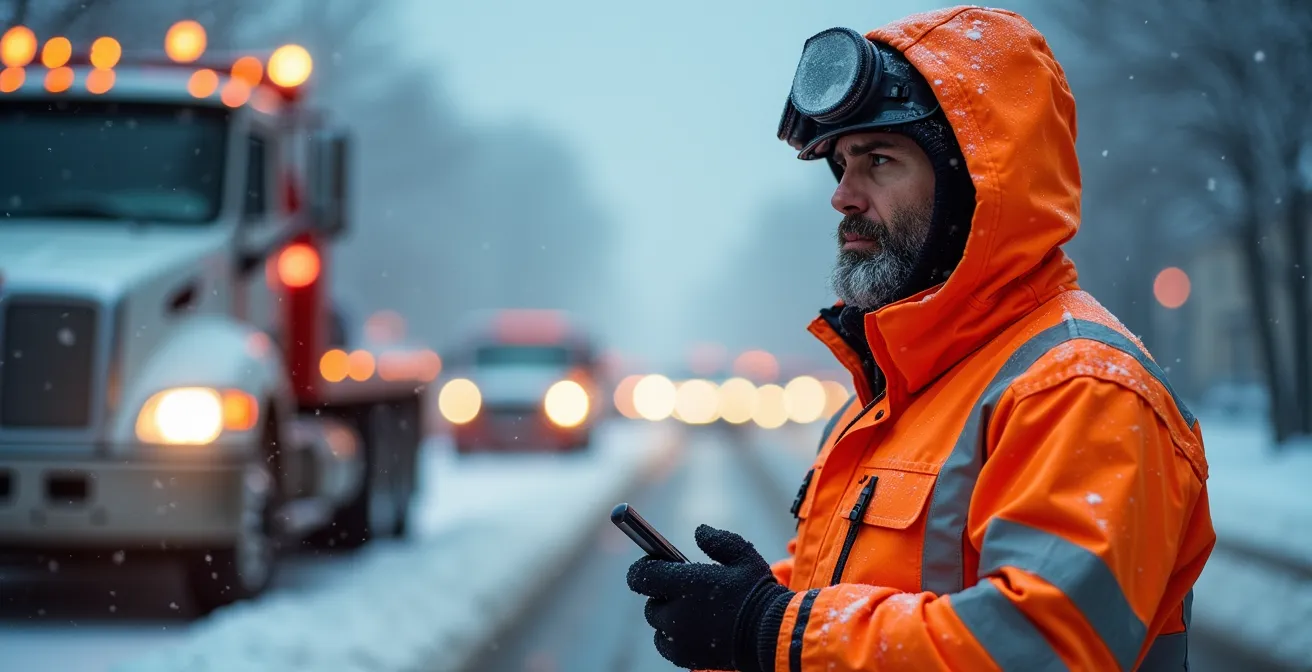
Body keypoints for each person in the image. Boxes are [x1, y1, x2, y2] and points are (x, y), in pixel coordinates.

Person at [624, 6, 1215, 672]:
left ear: (976, 186)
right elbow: (846, 602)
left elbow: (1036, 648)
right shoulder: (886, 392)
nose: (843, 195)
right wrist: (743, 613)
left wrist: (771, 628)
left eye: (878, 160)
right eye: (841, 164)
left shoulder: (1083, 389)